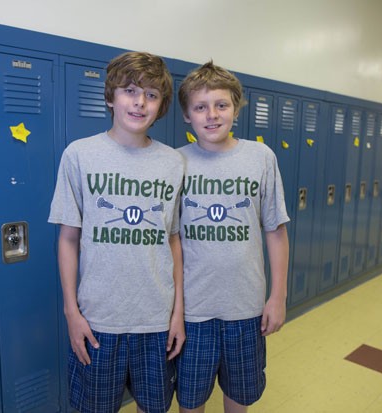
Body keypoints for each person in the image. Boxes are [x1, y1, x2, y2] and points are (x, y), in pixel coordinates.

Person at [48, 51, 185, 413]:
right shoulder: (79, 155)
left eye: (152, 95)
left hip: (156, 319)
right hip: (98, 321)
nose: (140, 102)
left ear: (162, 105)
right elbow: (67, 238)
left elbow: (173, 239)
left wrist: (177, 314)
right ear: (111, 97)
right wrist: (71, 313)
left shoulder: (173, 162)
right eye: (129, 90)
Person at [175, 61, 290, 413]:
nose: (212, 115)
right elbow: (169, 242)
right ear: (187, 115)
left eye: (221, 105)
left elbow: (276, 231)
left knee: (239, 398)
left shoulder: (261, 158)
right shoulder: (174, 163)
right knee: (191, 400)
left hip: (246, 307)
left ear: (236, 109)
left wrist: (278, 297)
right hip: (193, 311)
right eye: (200, 107)